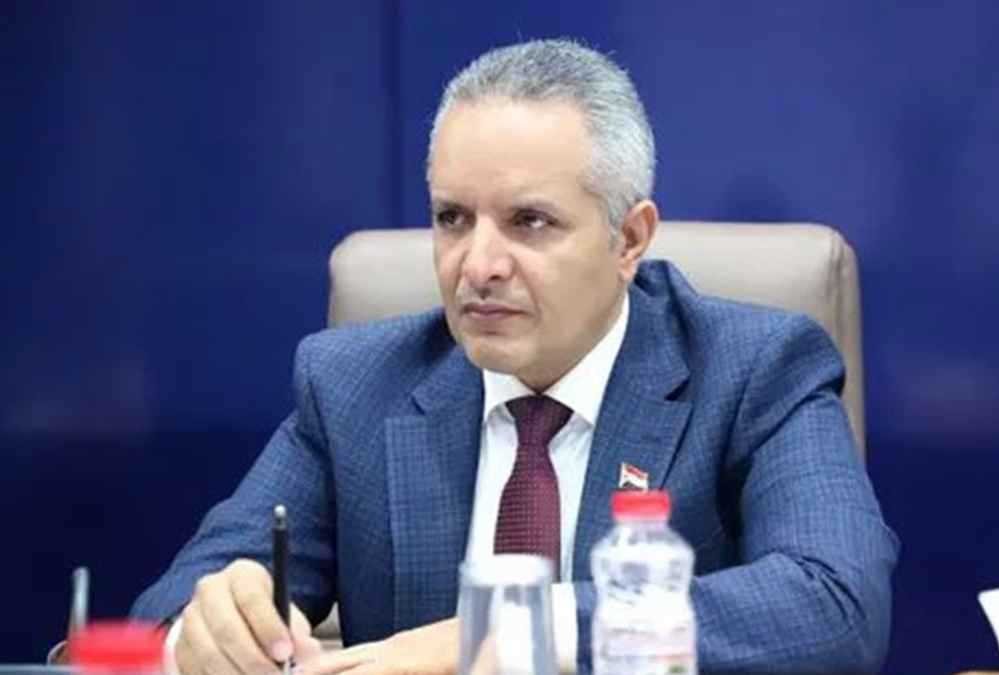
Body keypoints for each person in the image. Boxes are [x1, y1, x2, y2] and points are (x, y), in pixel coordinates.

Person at [131, 38, 899, 674]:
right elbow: (168, 609)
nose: (478, 265)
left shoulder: (755, 368)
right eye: (452, 218)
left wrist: (509, 636)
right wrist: (204, 630)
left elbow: (837, 604)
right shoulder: (355, 385)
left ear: (629, 238)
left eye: (529, 221)